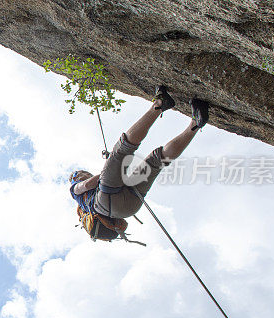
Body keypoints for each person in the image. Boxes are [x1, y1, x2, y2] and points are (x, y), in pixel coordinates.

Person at [70, 86, 209, 222]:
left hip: (129, 208)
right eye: (79, 173)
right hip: (107, 199)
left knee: (157, 161)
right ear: (76, 178)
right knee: (122, 149)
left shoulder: (87, 205)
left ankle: (196, 122)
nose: (84, 173)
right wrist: (106, 169)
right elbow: (86, 185)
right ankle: (160, 103)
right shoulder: (74, 189)